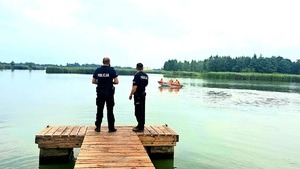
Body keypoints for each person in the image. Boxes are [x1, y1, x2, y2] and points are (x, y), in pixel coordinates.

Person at [92, 57, 119, 132]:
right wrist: (110, 83)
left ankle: (98, 127)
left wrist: (100, 83)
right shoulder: (112, 70)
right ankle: (111, 128)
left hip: (100, 92)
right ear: (109, 62)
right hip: (109, 93)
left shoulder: (98, 70)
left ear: (102, 62)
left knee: (99, 110)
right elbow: (116, 81)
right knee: (110, 110)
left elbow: (93, 81)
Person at [129, 63, 148, 132]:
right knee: (142, 110)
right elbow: (146, 84)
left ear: (136, 68)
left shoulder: (137, 75)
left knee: (138, 111)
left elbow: (135, 86)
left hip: (138, 95)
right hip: (143, 94)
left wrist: (131, 94)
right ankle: (141, 125)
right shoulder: (145, 75)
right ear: (142, 68)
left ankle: (140, 127)